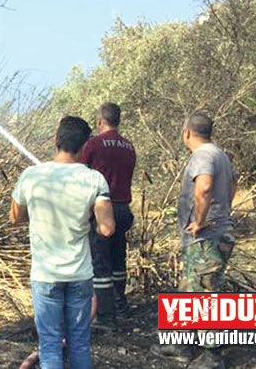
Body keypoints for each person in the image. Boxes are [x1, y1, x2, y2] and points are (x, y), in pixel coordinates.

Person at [10, 116, 116, 369]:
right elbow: (107, 228)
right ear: (84, 146)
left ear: (56, 140)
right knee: (79, 342)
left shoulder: (31, 175)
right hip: (79, 274)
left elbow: (15, 217)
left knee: (49, 344)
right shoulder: (94, 179)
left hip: (45, 276)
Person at [151, 111, 236, 369]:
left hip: (206, 238)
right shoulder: (220, 154)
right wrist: (223, 210)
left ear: (187, 132)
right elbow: (232, 184)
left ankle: (212, 357)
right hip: (212, 234)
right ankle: (179, 343)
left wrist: (200, 220)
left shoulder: (202, 156)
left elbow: (205, 186)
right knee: (189, 288)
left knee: (205, 294)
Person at [79, 102, 136, 326]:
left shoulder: (93, 144)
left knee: (100, 262)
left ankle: (104, 314)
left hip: (103, 209)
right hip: (123, 209)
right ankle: (120, 303)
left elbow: (81, 174)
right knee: (118, 258)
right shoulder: (129, 146)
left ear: (100, 121)